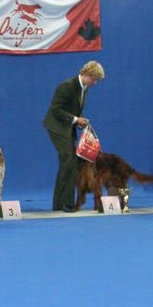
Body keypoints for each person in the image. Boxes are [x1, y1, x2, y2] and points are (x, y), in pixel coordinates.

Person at [43, 60, 105, 212]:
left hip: (67, 128)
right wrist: (76, 119)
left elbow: (74, 110)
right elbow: (55, 109)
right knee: (69, 161)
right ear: (86, 74)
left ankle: (58, 204)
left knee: (68, 163)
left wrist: (78, 121)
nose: (95, 83)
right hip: (56, 127)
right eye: (94, 79)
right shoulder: (67, 86)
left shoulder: (85, 89)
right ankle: (66, 203)